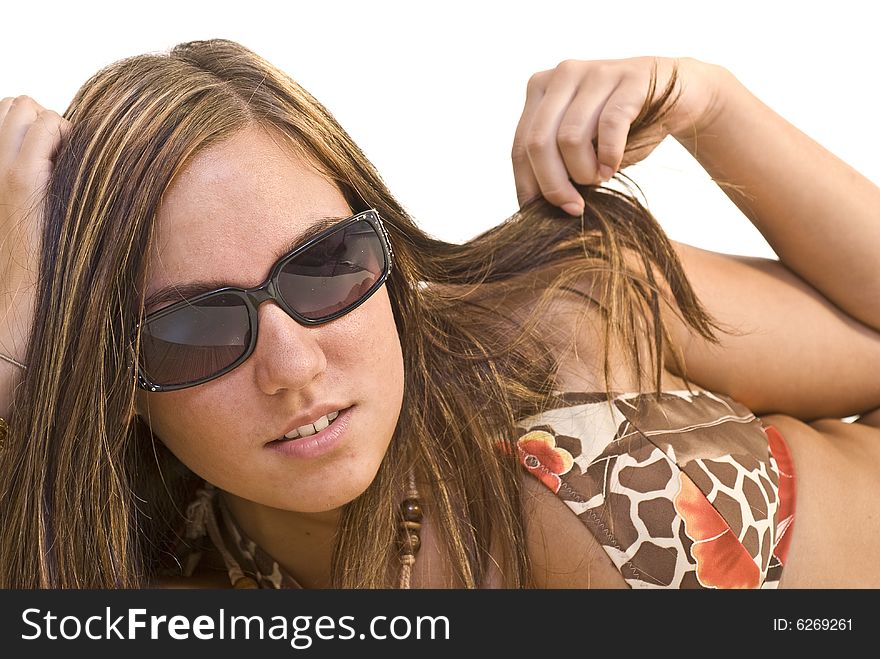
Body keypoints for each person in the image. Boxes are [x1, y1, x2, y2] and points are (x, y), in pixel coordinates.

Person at [0, 40, 877, 589]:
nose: (295, 367)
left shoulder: (565, 311)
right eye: (196, 328)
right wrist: (9, 347)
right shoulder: (183, 566)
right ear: (111, 375)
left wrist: (712, 105)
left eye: (324, 266)